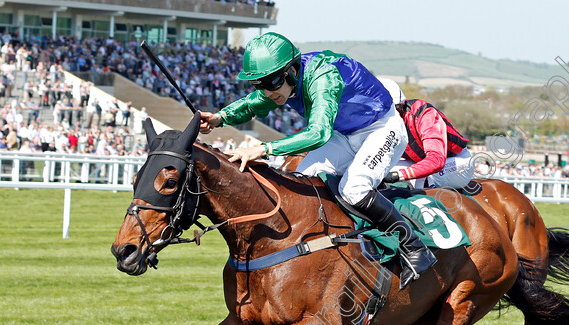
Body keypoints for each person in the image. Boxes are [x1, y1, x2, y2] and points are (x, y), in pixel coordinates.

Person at [198, 32, 434, 288]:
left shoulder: (323, 76)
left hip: (381, 129)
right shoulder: (283, 83)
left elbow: (318, 133)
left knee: (353, 190)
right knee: (301, 182)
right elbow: (256, 102)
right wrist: (220, 118)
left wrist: (264, 149)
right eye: (260, 84)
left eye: (273, 82)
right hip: (344, 134)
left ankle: (415, 248)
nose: (267, 90)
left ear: (292, 71)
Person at [380, 79, 473, 190]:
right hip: (420, 161)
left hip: (454, 162)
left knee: (422, 181)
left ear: (401, 105)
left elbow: (436, 161)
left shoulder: (424, 114)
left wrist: (397, 176)